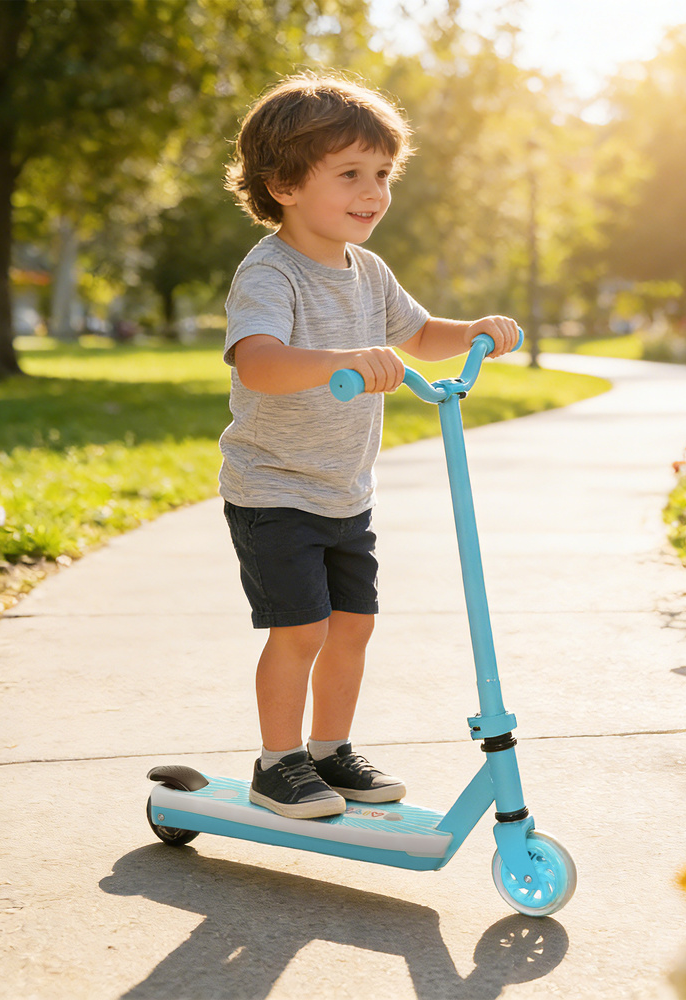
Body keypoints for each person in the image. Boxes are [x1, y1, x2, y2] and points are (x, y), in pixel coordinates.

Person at [220, 73, 520, 819]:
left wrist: (474, 332)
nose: (373, 192)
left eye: (381, 174)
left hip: (343, 490)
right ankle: (278, 763)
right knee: (302, 629)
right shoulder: (270, 272)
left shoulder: (369, 271)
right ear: (283, 184)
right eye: (349, 174)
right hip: (274, 489)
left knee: (353, 625)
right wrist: (340, 364)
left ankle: (329, 751)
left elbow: (419, 334)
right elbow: (256, 358)